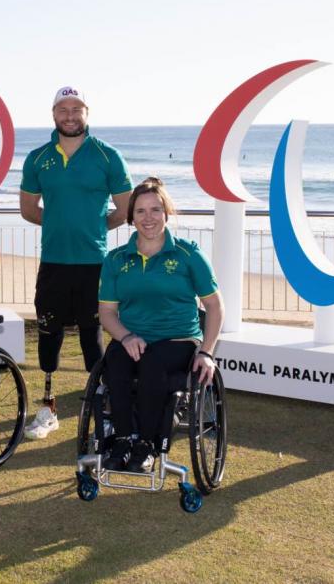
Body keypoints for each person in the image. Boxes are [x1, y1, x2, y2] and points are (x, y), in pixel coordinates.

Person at [19, 86, 132, 440]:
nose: (70, 115)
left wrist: (97, 227)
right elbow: (27, 209)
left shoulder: (107, 155)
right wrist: (58, 225)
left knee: (92, 334)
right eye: (63, 109)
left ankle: (101, 408)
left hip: (94, 264)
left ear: (87, 112)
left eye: (76, 109)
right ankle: (48, 408)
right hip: (53, 262)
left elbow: (126, 208)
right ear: (54, 115)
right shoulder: (38, 158)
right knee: (49, 334)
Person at [97, 177, 222, 473]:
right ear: (131, 218)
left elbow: (215, 307)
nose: (148, 218)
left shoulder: (188, 255)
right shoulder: (115, 259)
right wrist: (125, 337)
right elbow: (107, 313)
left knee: (152, 362)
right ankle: (124, 440)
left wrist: (207, 352)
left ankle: (148, 445)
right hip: (132, 338)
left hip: (179, 341)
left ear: (166, 213)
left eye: (155, 210)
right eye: (140, 211)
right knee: (115, 360)